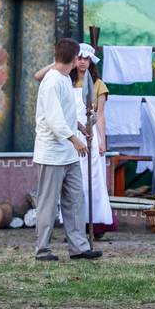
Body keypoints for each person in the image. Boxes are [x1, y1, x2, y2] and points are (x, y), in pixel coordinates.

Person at [34, 43, 115, 238]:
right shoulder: (61, 80)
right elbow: (57, 115)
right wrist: (60, 60)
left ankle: (92, 225)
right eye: (78, 58)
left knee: (90, 182)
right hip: (66, 138)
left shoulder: (97, 84)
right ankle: (65, 234)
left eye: (86, 58)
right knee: (66, 191)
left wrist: (101, 140)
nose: (82, 62)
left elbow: (100, 115)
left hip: (88, 135)